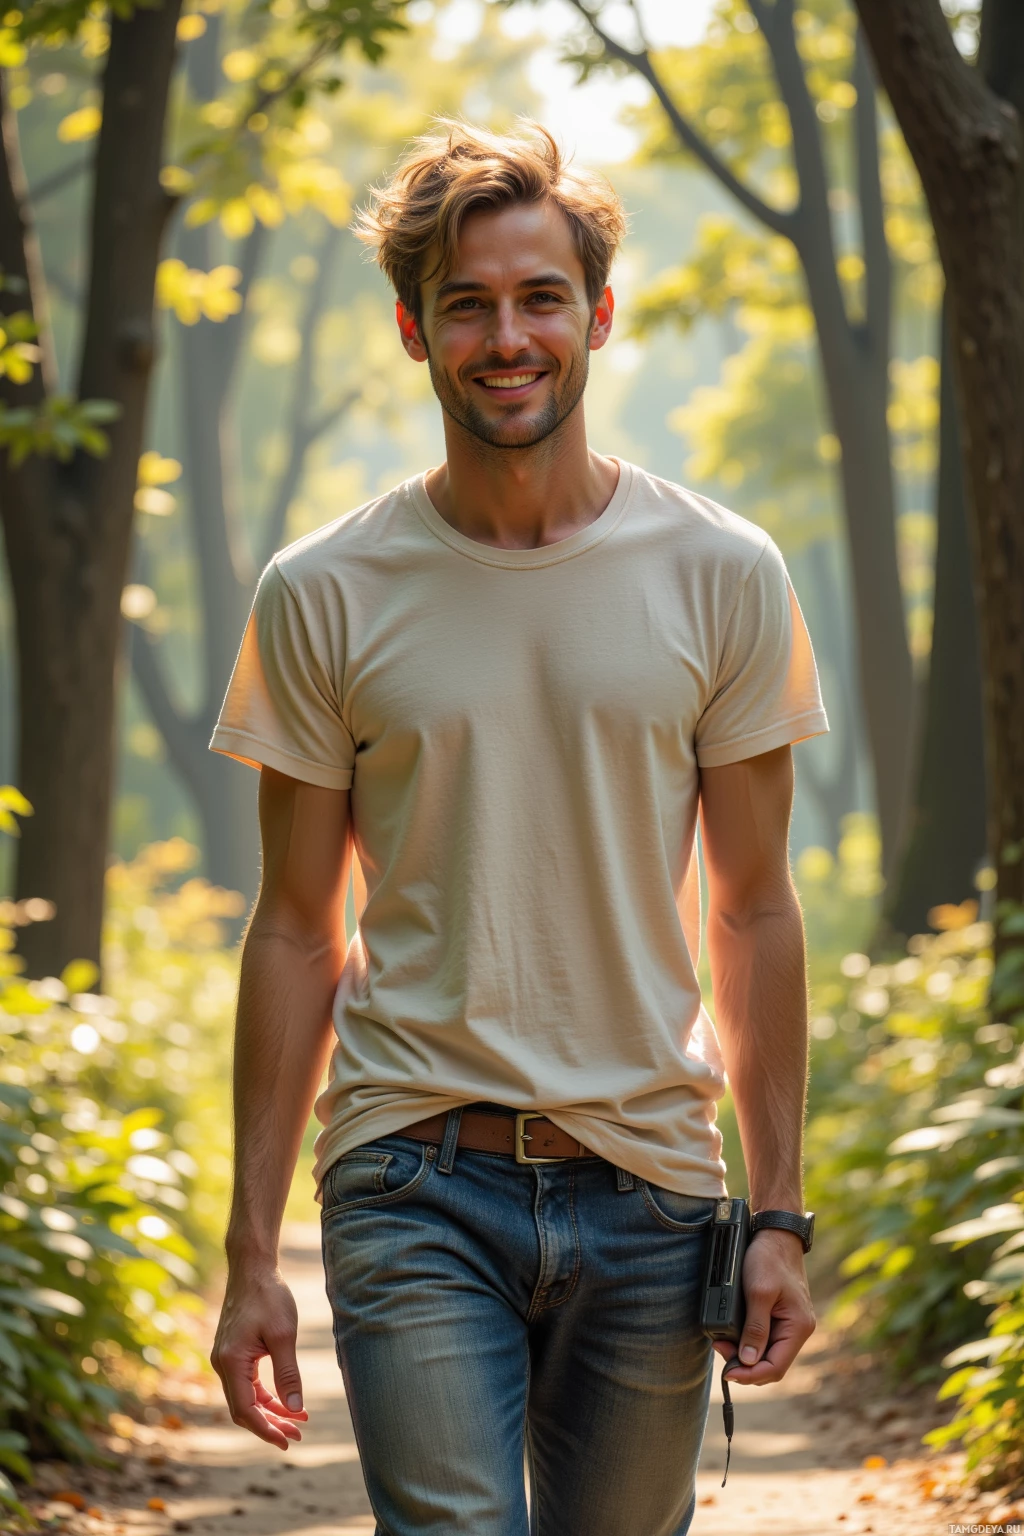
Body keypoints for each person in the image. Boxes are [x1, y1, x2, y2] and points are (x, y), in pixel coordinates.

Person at [208, 119, 827, 1536]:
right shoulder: (324, 592)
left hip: (655, 1187)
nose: (508, 337)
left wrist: (779, 1217)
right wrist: (251, 1255)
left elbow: (752, 911)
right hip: (411, 1173)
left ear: (597, 316)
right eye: (468, 304)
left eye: (541, 298)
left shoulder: (724, 574)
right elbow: (296, 931)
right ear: (416, 332)